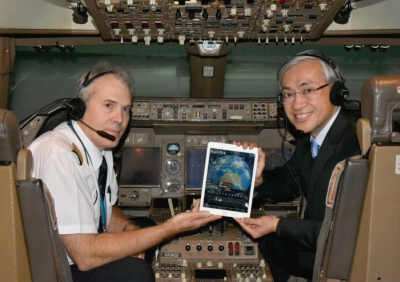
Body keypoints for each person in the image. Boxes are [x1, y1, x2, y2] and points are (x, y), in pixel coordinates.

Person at [28, 61, 221, 282]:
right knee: (136, 272)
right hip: (57, 270)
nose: (119, 119)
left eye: (125, 109)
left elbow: (106, 209)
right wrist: (171, 227)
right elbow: (85, 256)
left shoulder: (102, 147)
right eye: (109, 105)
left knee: (143, 227)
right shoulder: (59, 155)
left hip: (78, 254)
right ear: (80, 107)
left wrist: (129, 227)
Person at [234, 50, 361, 282]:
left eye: (308, 90)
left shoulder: (358, 143)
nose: (297, 104)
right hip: (322, 243)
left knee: (271, 242)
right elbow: (288, 180)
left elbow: (343, 232)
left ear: (336, 92)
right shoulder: (309, 138)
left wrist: (277, 225)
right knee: (272, 243)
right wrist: (258, 177)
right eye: (288, 94)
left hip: (347, 255)